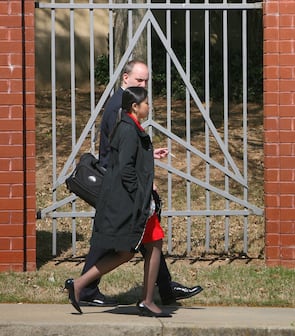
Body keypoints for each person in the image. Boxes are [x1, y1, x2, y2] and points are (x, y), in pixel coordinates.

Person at [79, 60, 202, 307]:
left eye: (146, 81)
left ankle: (162, 290)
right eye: (138, 80)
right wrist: (141, 185)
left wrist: (147, 153)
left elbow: (128, 147)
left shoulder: (126, 104)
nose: (143, 85)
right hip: (118, 183)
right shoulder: (120, 108)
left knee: (144, 239)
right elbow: (120, 154)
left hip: (122, 180)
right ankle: (85, 286)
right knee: (118, 239)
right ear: (125, 79)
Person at [65, 87, 170, 317]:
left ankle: (79, 285)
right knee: (151, 245)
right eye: (146, 103)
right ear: (135, 106)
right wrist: (141, 196)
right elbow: (125, 169)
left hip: (128, 200)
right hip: (130, 201)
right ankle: (146, 301)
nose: (148, 107)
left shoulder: (128, 126)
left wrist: (150, 154)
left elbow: (127, 157)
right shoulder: (129, 129)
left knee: (129, 252)